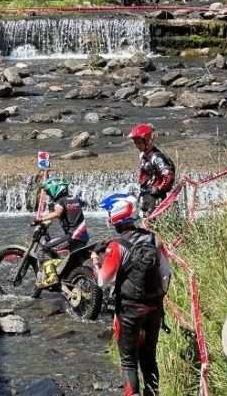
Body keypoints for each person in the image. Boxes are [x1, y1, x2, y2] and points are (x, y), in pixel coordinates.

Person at [93, 194, 169, 396]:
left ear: (116, 217)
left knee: (128, 361)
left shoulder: (116, 246)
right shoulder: (154, 238)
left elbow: (103, 281)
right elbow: (166, 274)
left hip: (129, 310)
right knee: (149, 359)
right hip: (154, 309)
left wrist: (95, 262)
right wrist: (158, 300)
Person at [33, 177, 89, 288]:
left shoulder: (60, 201)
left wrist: (40, 219)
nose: (49, 195)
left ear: (55, 190)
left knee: (43, 249)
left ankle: (52, 277)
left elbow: (57, 213)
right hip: (82, 236)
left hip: (72, 236)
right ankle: (71, 282)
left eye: (49, 192)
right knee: (73, 265)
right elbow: (83, 204)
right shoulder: (74, 198)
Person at [129, 123, 175, 216]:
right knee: (146, 222)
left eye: (139, 143)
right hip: (146, 195)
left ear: (147, 141)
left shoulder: (156, 157)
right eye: (135, 143)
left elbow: (169, 175)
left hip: (155, 198)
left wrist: (158, 189)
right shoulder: (143, 155)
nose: (137, 146)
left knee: (154, 224)